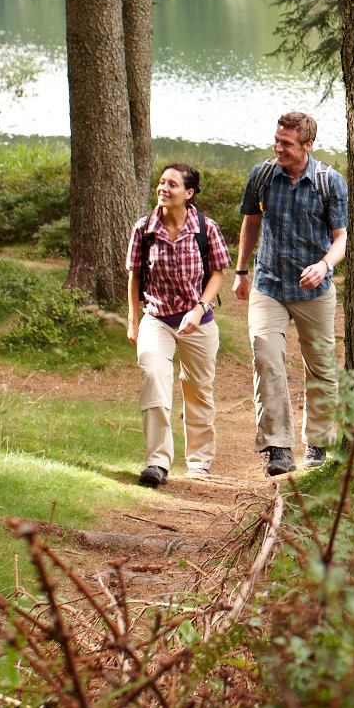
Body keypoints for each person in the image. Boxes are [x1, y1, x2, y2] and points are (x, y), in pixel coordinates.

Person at [237, 111, 348, 478]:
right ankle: (278, 448)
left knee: (321, 367)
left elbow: (341, 238)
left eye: (286, 142)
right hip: (268, 285)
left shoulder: (329, 182)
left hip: (314, 290)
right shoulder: (263, 175)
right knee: (266, 356)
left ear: (307, 144)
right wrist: (241, 271)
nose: (278, 147)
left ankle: (317, 444)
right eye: (277, 140)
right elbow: (251, 222)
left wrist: (325, 265)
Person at [126, 162, 231, 489]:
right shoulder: (144, 229)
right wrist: (133, 320)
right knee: (154, 377)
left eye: (172, 184)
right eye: (161, 182)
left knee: (197, 390)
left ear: (188, 193)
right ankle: (157, 462)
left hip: (198, 321)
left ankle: (199, 463)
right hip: (156, 319)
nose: (163, 188)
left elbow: (217, 273)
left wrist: (199, 309)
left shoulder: (205, 227)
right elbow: (134, 276)